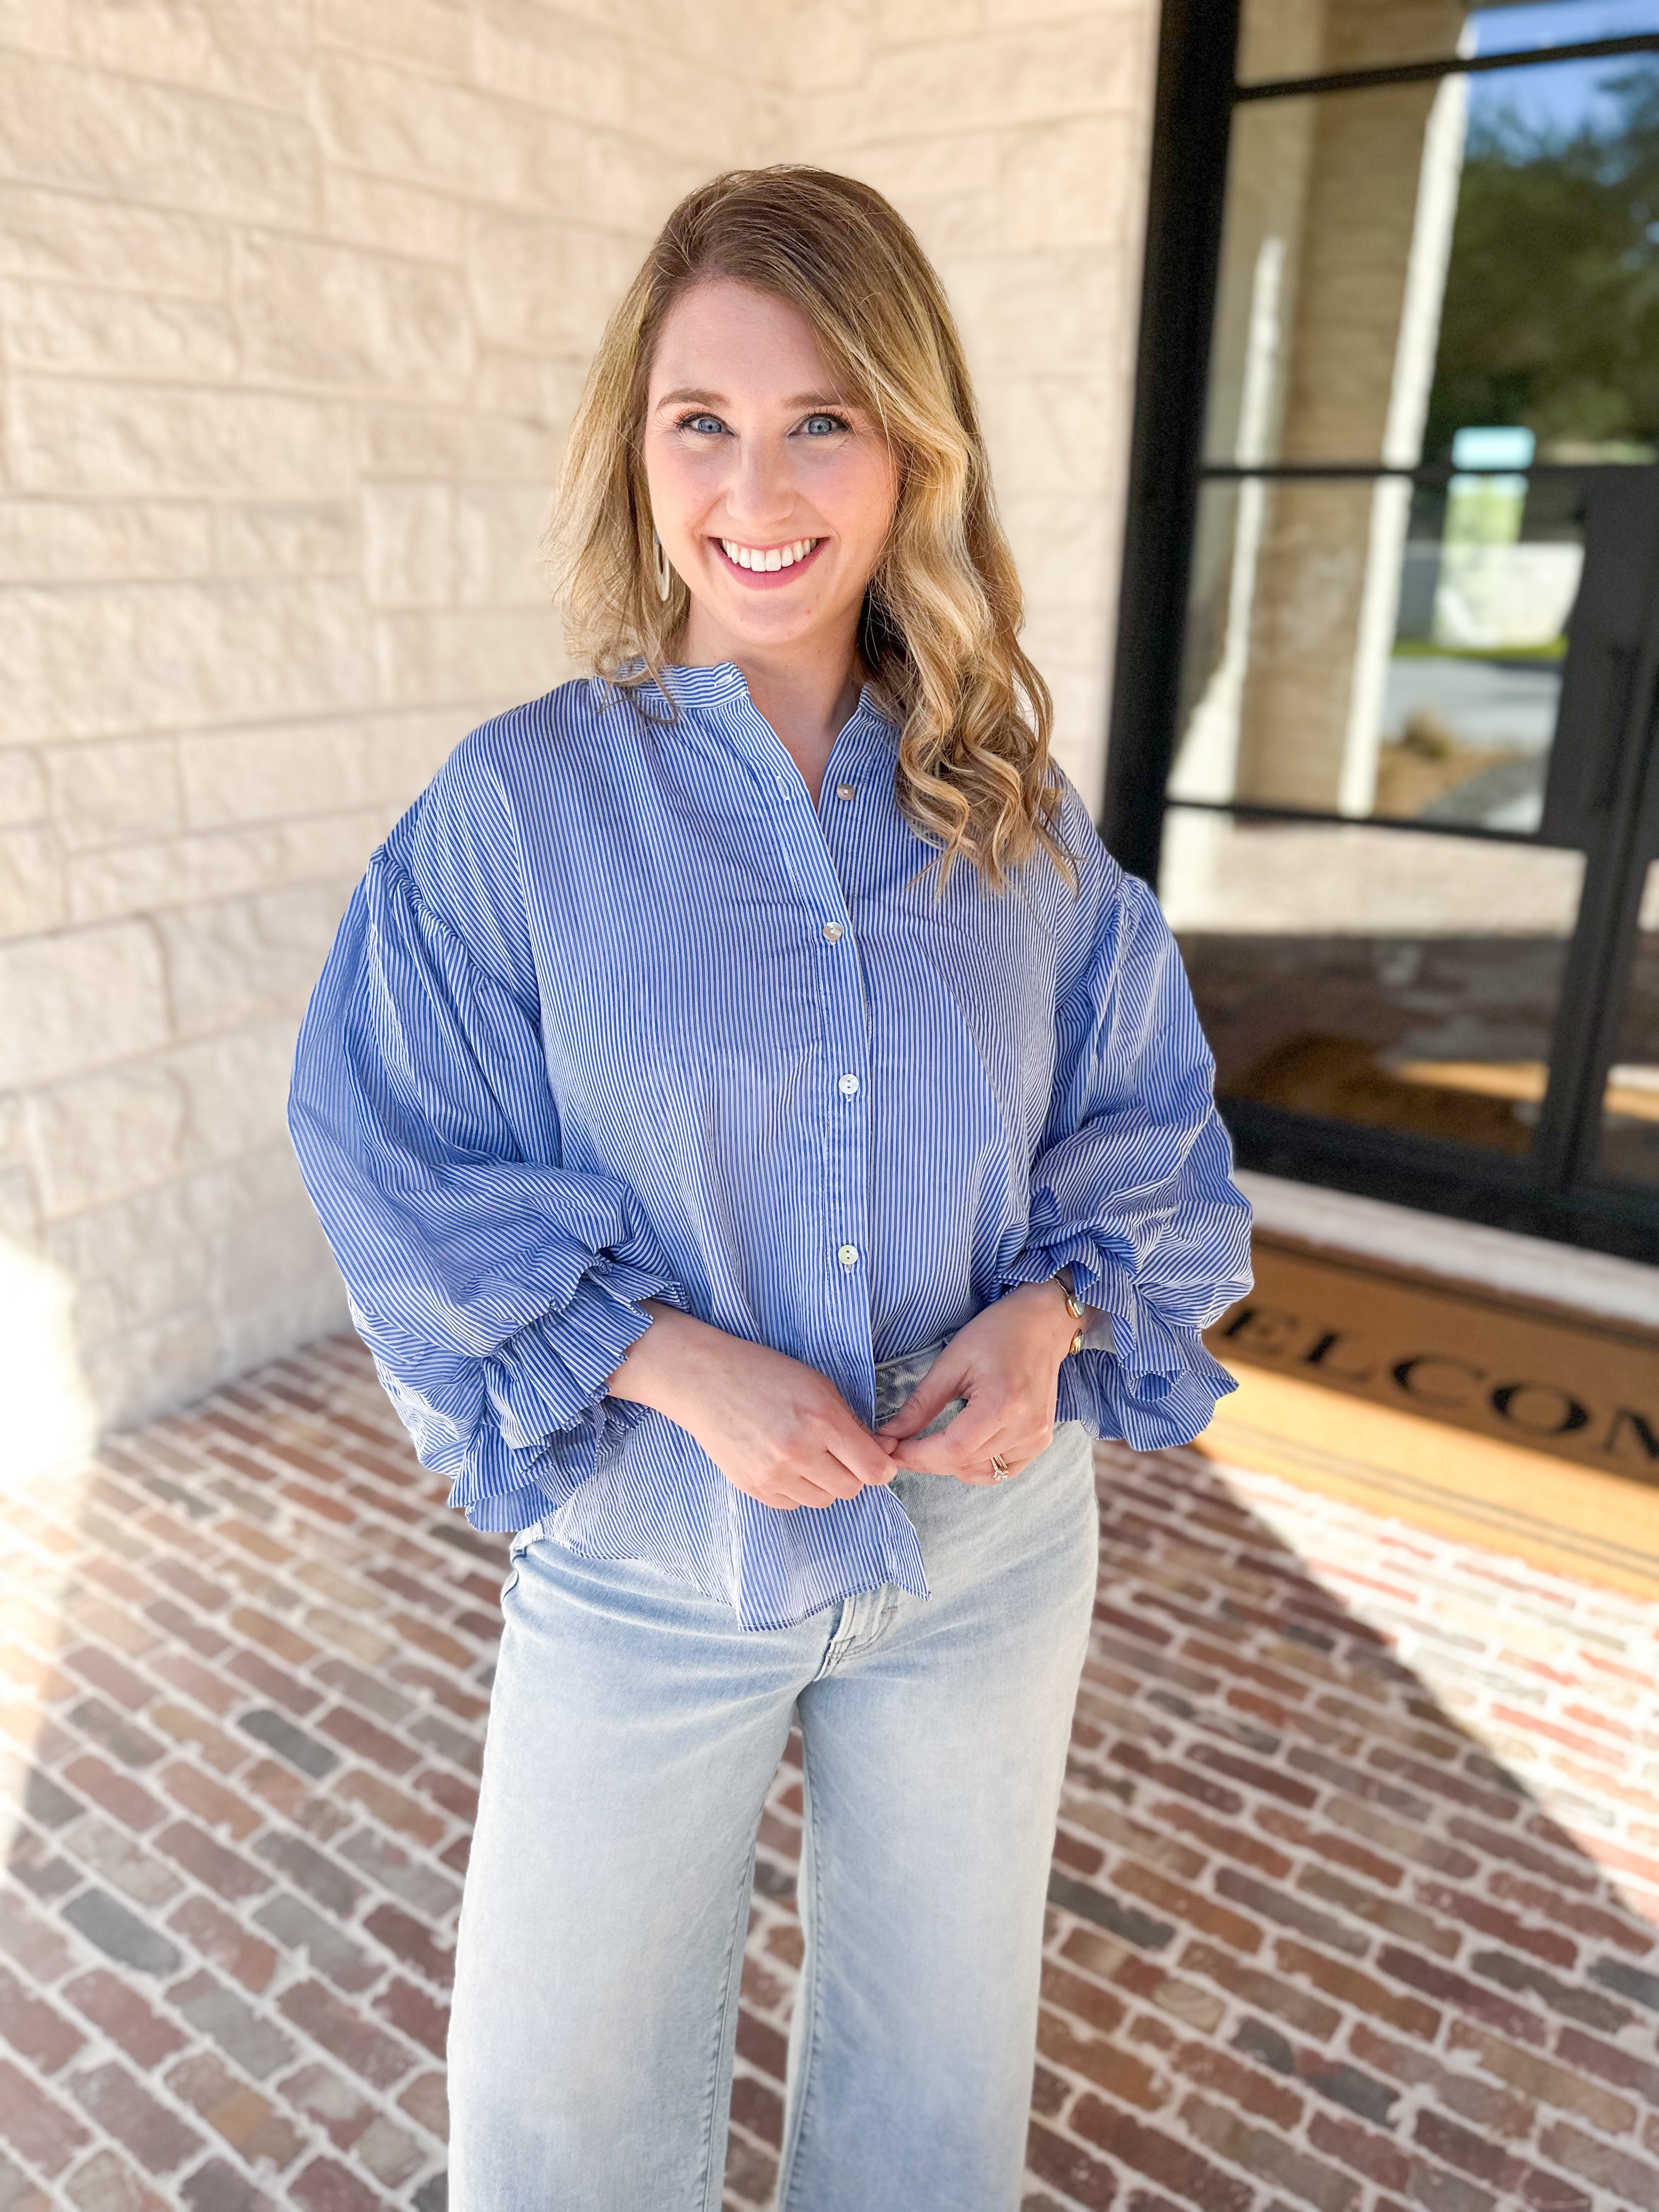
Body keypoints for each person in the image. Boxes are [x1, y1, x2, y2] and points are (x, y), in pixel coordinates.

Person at [288, 164, 1252, 2212]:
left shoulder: (1009, 809)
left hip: (987, 1555)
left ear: (911, 450)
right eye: (700, 422)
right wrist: (669, 1362)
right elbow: (386, 1148)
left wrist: (1050, 1317)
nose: (758, 488)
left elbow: (1143, 1106)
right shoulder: (521, 809)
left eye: (823, 419)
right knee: (557, 2115)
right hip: (656, 1554)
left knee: (933, 2094)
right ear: (634, 453)